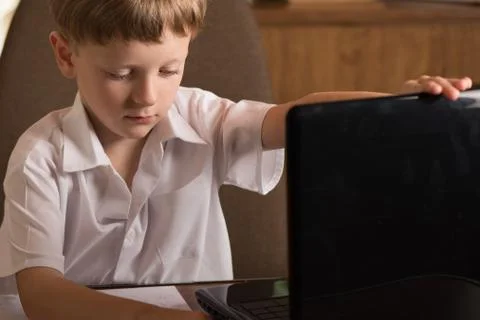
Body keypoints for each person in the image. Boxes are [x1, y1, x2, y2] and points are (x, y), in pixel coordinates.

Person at [0, 0, 473, 319]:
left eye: (169, 70)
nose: (147, 96)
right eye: (119, 73)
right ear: (65, 55)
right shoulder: (40, 155)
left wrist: (398, 104)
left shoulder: (201, 116)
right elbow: (41, 293)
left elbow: (298, 115)